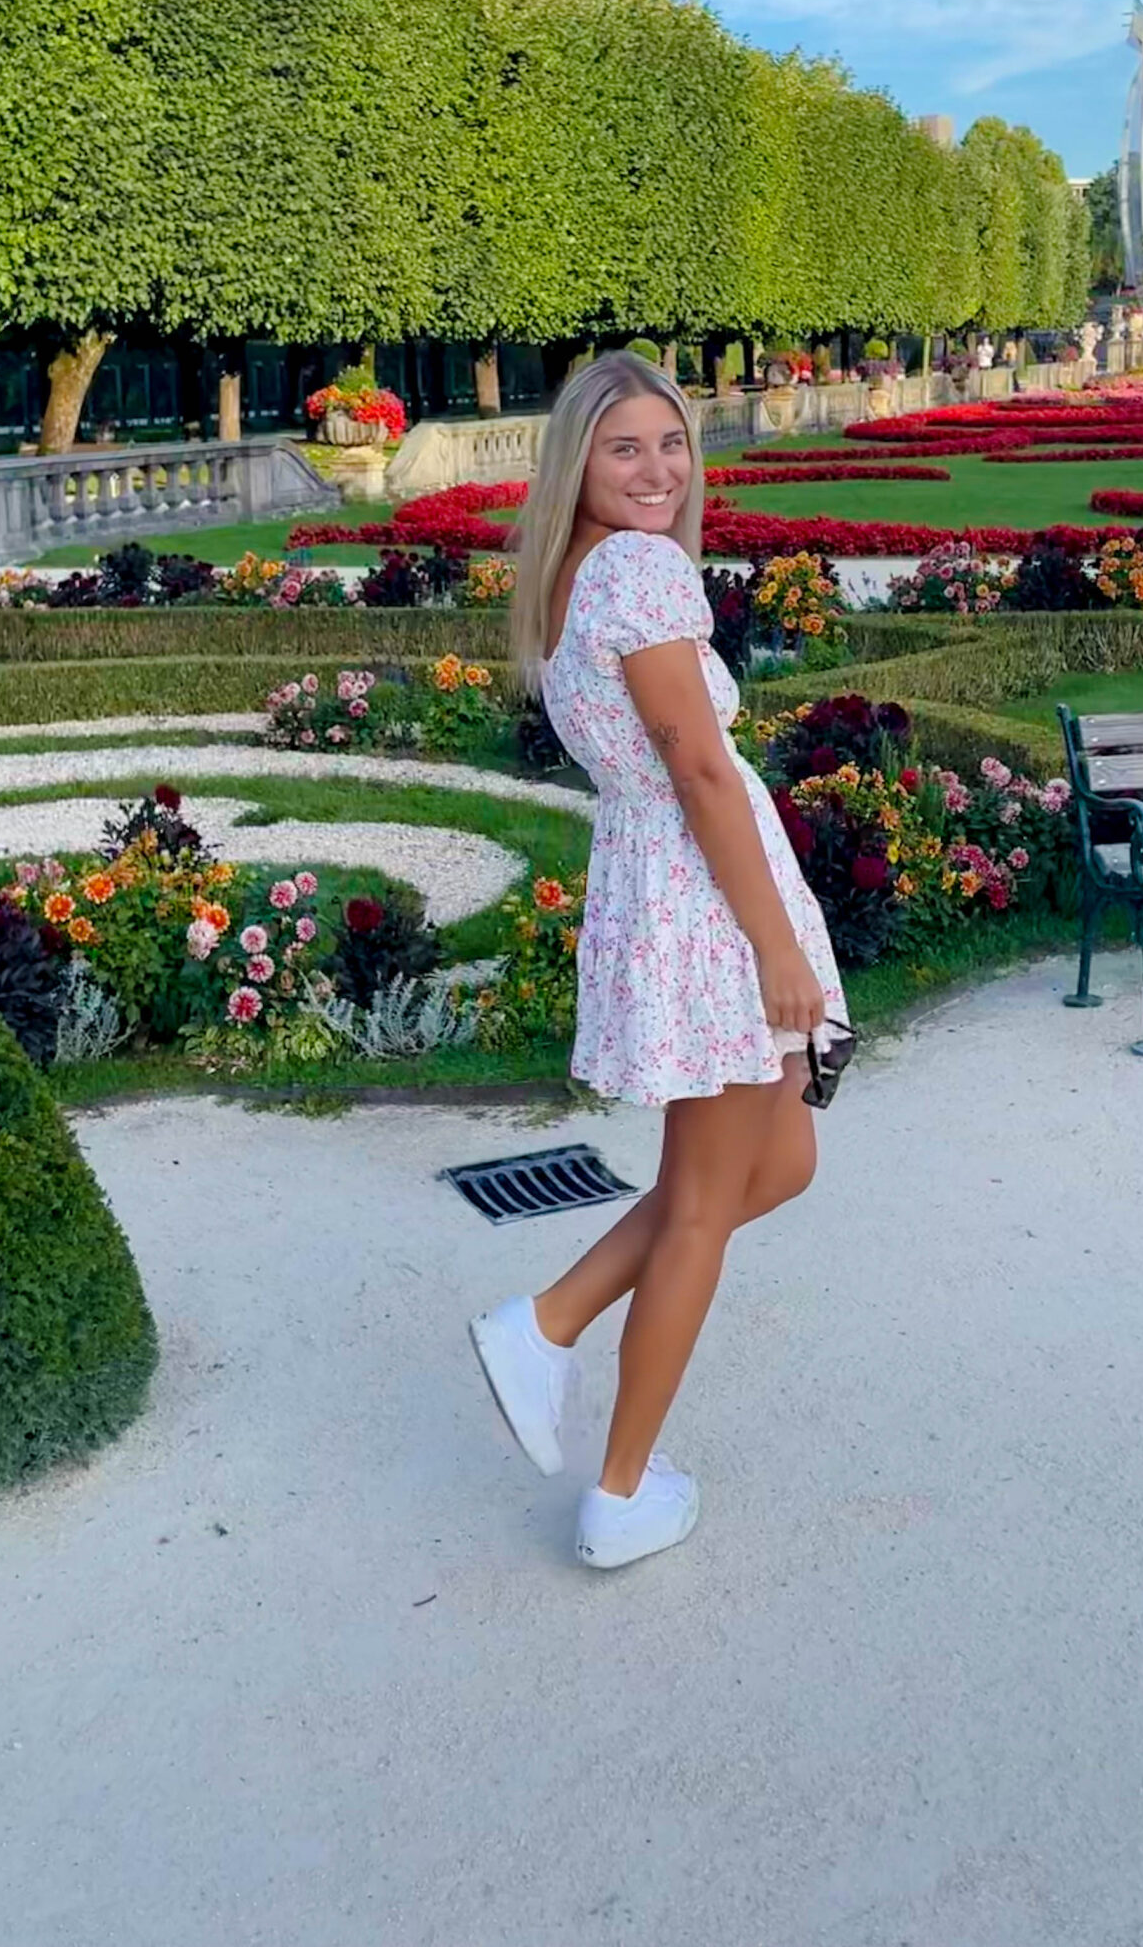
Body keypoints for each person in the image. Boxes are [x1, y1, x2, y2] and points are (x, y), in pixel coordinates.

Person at [470, 352, 846, 1570]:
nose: (657, 468)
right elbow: (697, 769)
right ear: (577, 459)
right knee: (700, 1208)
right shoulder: (638, 569)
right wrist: (777, 949)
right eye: (624, 446)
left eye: (671, 443)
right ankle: (621, 1489)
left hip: (663, 891)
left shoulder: (582, 575)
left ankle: (550, 1321)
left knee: (777, 1160)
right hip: (702, 904)